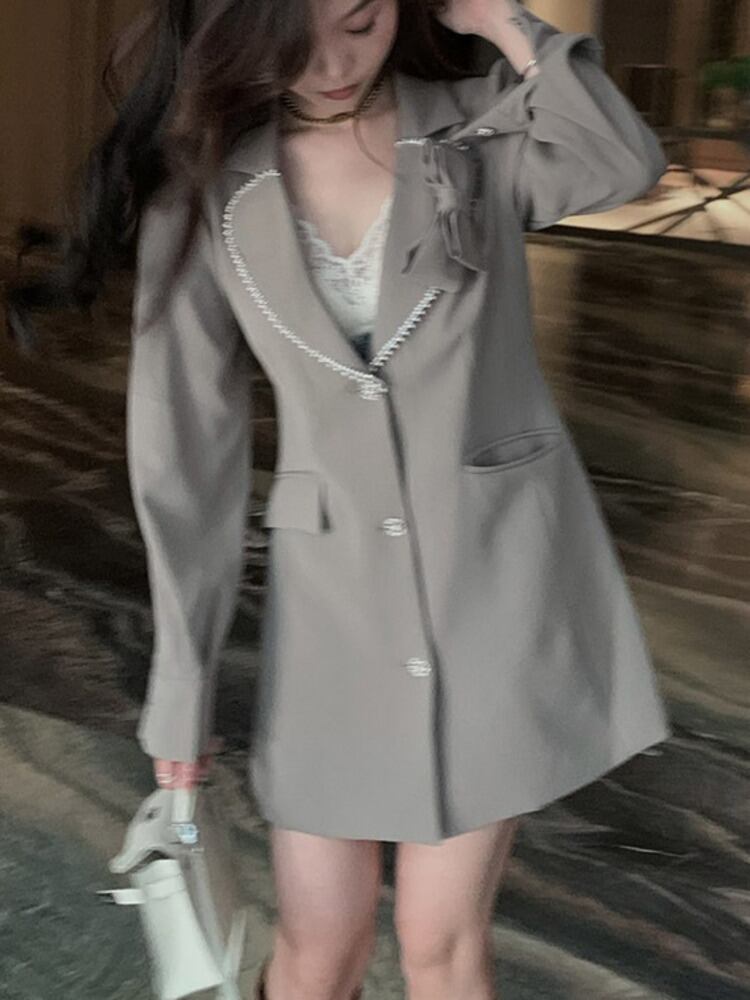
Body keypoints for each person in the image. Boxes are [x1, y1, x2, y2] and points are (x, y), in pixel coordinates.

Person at [6, 2, 673, 998]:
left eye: (359, 22)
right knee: (321, 946)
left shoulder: (478, 124)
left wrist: (505, 21)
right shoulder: (203, 190)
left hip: (493, 584)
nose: (330, 64)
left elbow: (622, 162)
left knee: (441, 939)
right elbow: (183, 460)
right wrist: (180, 701)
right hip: (334, 610)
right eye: (294, 40)